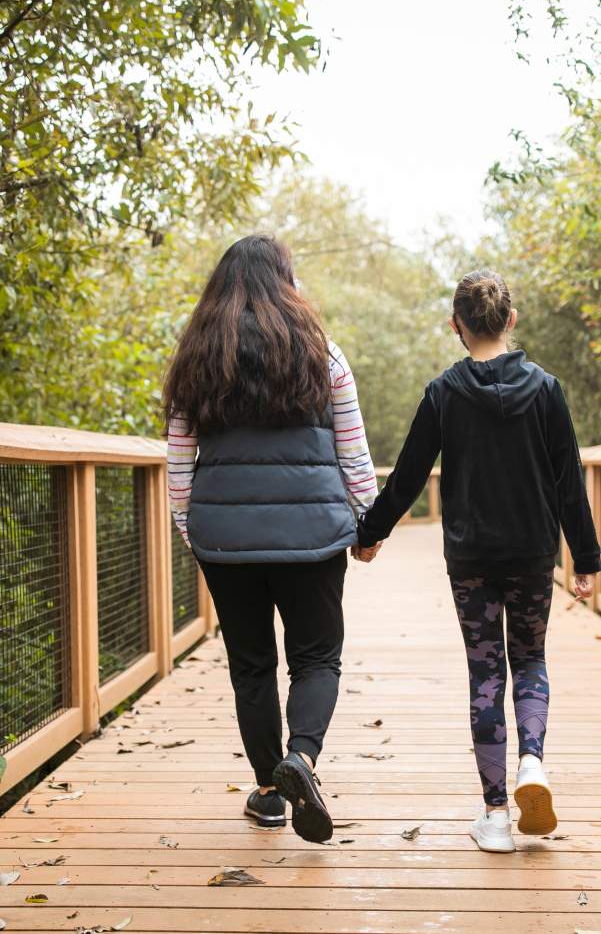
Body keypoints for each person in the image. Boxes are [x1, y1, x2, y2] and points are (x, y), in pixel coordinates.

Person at [354, 269, 600, 853]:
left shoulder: (443, 393)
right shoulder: (545, 390)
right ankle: (532, 764)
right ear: (510, 320)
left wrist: (369, 533)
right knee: (531, 660)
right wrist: (586, 556)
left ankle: (494, 817)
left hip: (470, 557)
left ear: (456, 326)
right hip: (534, 552)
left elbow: (409, 475)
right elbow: (569, 483)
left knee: (486, 673)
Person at [164, 234, 377, 842]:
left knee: (250, 665)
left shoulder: (197, 359)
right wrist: (367, 526)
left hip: (225, 540)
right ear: (289, 283)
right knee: (316, 657)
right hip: (312, 537)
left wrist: (193, 529)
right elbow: (353, 454)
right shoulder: (321, 354)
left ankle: (268, 791)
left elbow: (179, 463)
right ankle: (301, 759)